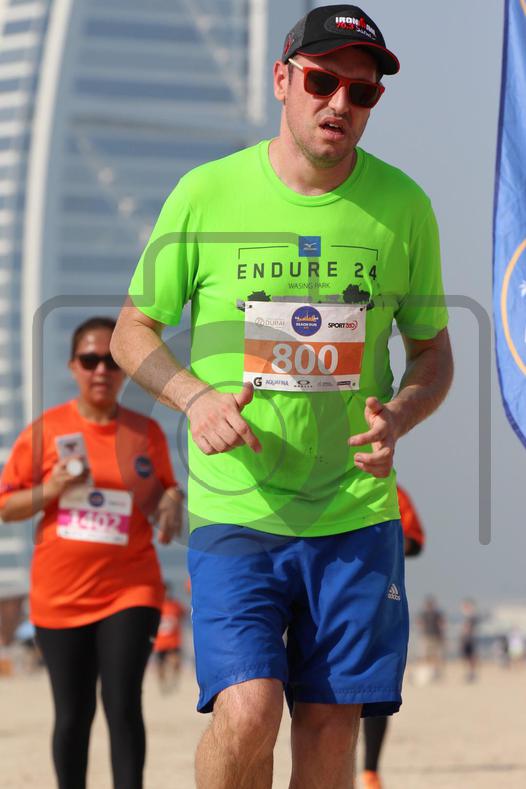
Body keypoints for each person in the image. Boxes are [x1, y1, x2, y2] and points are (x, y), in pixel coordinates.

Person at [111, 4, 453, 788]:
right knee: (249, 710)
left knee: (331, 727)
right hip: (238, 506)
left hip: (355, 513)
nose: (340, 103)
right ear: (283, 80)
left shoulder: (404, 206)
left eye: (361, 92)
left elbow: (432, 352)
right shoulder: (207, 192)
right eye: (322, 82)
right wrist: (194, 397)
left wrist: (401, 414)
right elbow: (133, 328)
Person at [0, 316, 183, 789]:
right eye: (89, 359)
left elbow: (165, 495)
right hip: (60, 598)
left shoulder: (145, 433)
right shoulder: (45, 431)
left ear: (123, 370)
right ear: (73, 366)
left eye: (110, 361)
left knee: (122, 704)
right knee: (72, 713)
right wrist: (52, 488)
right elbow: (7, 506)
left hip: (131, 590)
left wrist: (171, 504)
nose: (101, 369)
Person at [361, 485, 425, 789]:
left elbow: (415, 540)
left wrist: (381, 538)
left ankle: (370, 770)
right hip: (316, 590)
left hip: (375, 592)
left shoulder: (388, 488)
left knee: (374, 686)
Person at [153, 581, 187, 693]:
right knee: (160, 666)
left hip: (173, 641)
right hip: (160, 642)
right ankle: (163, 685)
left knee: (176, 661)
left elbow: (184, 615)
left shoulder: (175, 605)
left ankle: (174, 682)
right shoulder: (156, 605)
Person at [417, 595, 446, 680]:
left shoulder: (437, 614)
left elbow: (441, 624)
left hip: (435, 636)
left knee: (435, 655)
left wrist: (442, 636)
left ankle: (435, 671)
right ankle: (430, 671)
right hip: (427, 636)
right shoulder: (424, 614)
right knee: (426, 655)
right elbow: (420, 624)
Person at [459, 598, 479, 683]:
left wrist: (465, 632)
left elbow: (468, 629)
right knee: (466, 657)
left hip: (470, 639)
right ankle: (469, 673)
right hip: (466, 639)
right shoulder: (467, 616)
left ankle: (471, 673)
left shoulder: (472, 616)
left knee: (471, 657)